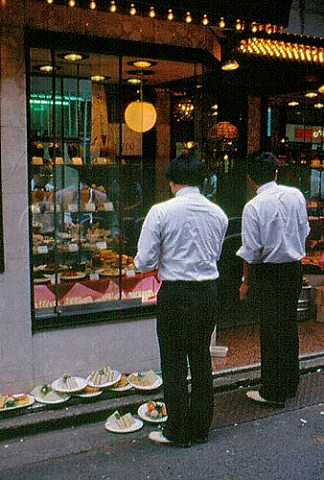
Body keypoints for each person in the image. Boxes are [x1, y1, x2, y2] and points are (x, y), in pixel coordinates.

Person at [134, 153, 228, 447]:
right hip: (207, 292)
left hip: (175, 293)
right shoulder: (219, 214)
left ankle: (177, 430)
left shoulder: (160, 212)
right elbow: (214, 255)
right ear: (201, 181)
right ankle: (201, 428)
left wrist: (164, 257)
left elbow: (144, 261)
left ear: (172, 181)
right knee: (200, 358)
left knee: (173, 362)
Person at [236, 151, 310, 406]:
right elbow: (305, 230)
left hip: (268, 273)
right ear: (276, 172)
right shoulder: (296, 195)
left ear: (250, 179)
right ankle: (290, 383)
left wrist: (245, 282)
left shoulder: (253, 206)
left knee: (270, 330)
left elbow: (251, 250)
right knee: (288, 326)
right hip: (293, 269)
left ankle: (272, 391)